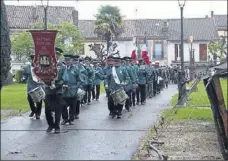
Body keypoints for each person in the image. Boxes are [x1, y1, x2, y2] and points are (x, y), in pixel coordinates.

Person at [45, 47, 66, 134]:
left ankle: (57, 126)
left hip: (58, 91)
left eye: (57, 55)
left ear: (59, 56)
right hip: (49, 90)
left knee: (58, 110)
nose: (55, 56)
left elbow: (64, 78)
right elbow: (43, 75)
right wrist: (47, 83)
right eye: (53, 54)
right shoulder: (47, 64)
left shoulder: (62, 66)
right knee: (47, 110)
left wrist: (56, 85)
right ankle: (50, 125)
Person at [62, 54, 84, 125]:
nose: (67, 61)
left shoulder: (76, 69)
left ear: (71, 61)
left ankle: (71, 119)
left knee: (73, 106)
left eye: (69, 60)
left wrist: (77, 86)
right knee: (63, 105)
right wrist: (61, 84)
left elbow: (80, 79)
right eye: (66, 60)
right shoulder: (62, 69)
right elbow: (58, 78)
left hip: (73, 91)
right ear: (64, 61)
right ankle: (65, 119)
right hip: (63, 91)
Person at [23, 54, 43, 119]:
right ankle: (33, 110)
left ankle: (38, 113)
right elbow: (24, 74)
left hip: (37, 85)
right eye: (32, 59)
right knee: (29, 99)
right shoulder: (27, 67)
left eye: (35, 59)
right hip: (30, 85)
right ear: (31, 60)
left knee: (38, 100)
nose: (33, 60)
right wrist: (23, 77)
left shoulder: (40, 67)